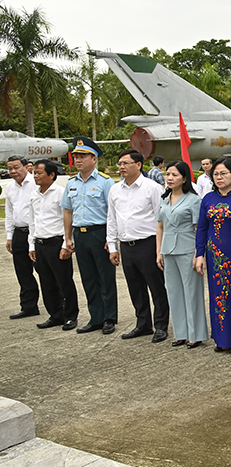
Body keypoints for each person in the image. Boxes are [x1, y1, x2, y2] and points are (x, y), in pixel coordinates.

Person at [107, 149, 170, 342]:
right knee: (135, 287)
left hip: (148, 243)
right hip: (126, 245)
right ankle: (143, 324)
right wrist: (112, 246)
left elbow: (162, 219)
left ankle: (160, 325)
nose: (121, 167)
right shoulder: (115, 190)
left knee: (156, 287)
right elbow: (112, 218)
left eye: (126, 163)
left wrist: (161, 248)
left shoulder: (151, 188)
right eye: (120, 164)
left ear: (139, 165)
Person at [61, 137, 117, 335]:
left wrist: (111, 240)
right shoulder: (71, 183)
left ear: (94, 159)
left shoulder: (105, 182)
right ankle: (96, 317)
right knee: (88, 278)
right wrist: (67, 238)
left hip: (99, 233)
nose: (78, 160)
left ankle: (109, 317)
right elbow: (68, 211)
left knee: (105, 276)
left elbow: (112, 212)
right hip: (80, 234)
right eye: (76, 156)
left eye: (83, 156)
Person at [195, 157, 231, 352]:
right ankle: (222, 339)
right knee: (218, 295)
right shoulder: (208, 199)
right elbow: (202, 228)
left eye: (223, 173)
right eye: (216, 174)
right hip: (214, 257)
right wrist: (199, 254)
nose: (219, 177)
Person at [156, 161, 207, 349]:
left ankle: (196, 334)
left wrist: (198, 254)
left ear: (184, 178)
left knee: (192, 292)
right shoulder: (164, 198)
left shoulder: (194, 200)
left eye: (174, 175)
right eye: (167, 174)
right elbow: (160, 226)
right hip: (168, 249)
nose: (169, 178)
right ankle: (180, 333)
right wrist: (159, 251)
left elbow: (198, 229)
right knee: (174, 292)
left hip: (187, 249)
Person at [29, 160, 79, 330]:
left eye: (39, 173)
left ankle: (71, 316)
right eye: (34, 173)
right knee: (46, 282)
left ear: (51, 175)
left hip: (56, 242)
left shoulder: (60, 193)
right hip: (40, 243)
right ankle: (55, 315)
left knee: (64, 281)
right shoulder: (34, 195)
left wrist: (67, 244)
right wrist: (32, 245)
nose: (36, 176)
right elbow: (32, 221)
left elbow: (68, 220)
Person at [5, 155, 40, 319]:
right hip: (19, 233)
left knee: (44, 270)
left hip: (37, 233)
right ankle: (28, 306)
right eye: (10, 168)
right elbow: (9, 213)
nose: (13, 171)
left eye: (16, 167)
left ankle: (57, 305)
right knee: (23, 272)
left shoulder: (37, 183)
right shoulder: (10, 188)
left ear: (27, 167)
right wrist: (9, 236)